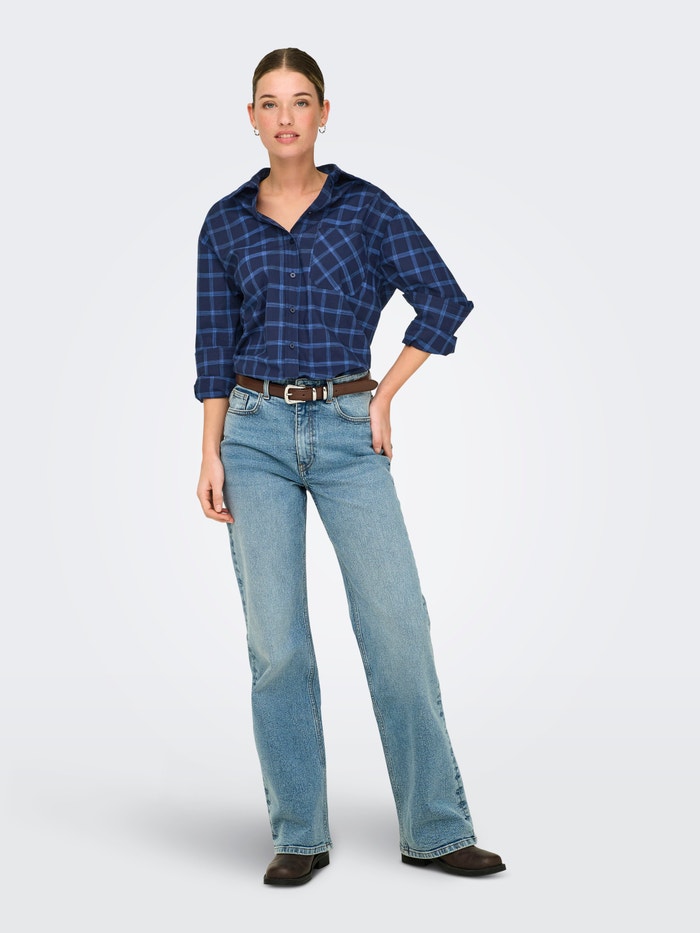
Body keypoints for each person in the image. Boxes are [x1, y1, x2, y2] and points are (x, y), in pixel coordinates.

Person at [195, 47, 505, 887]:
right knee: (278, 645)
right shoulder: (224, 222)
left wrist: (385, 395)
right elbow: (213, 347)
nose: (285, 116)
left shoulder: (365, 208)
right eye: (269, 102)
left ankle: (436, 828)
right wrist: (209, 451)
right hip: (252, 434)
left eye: (300, 101)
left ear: (325, 113)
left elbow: (442, 299)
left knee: (397, 625)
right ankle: (299, 832)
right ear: (251, 118)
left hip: (345, 429)